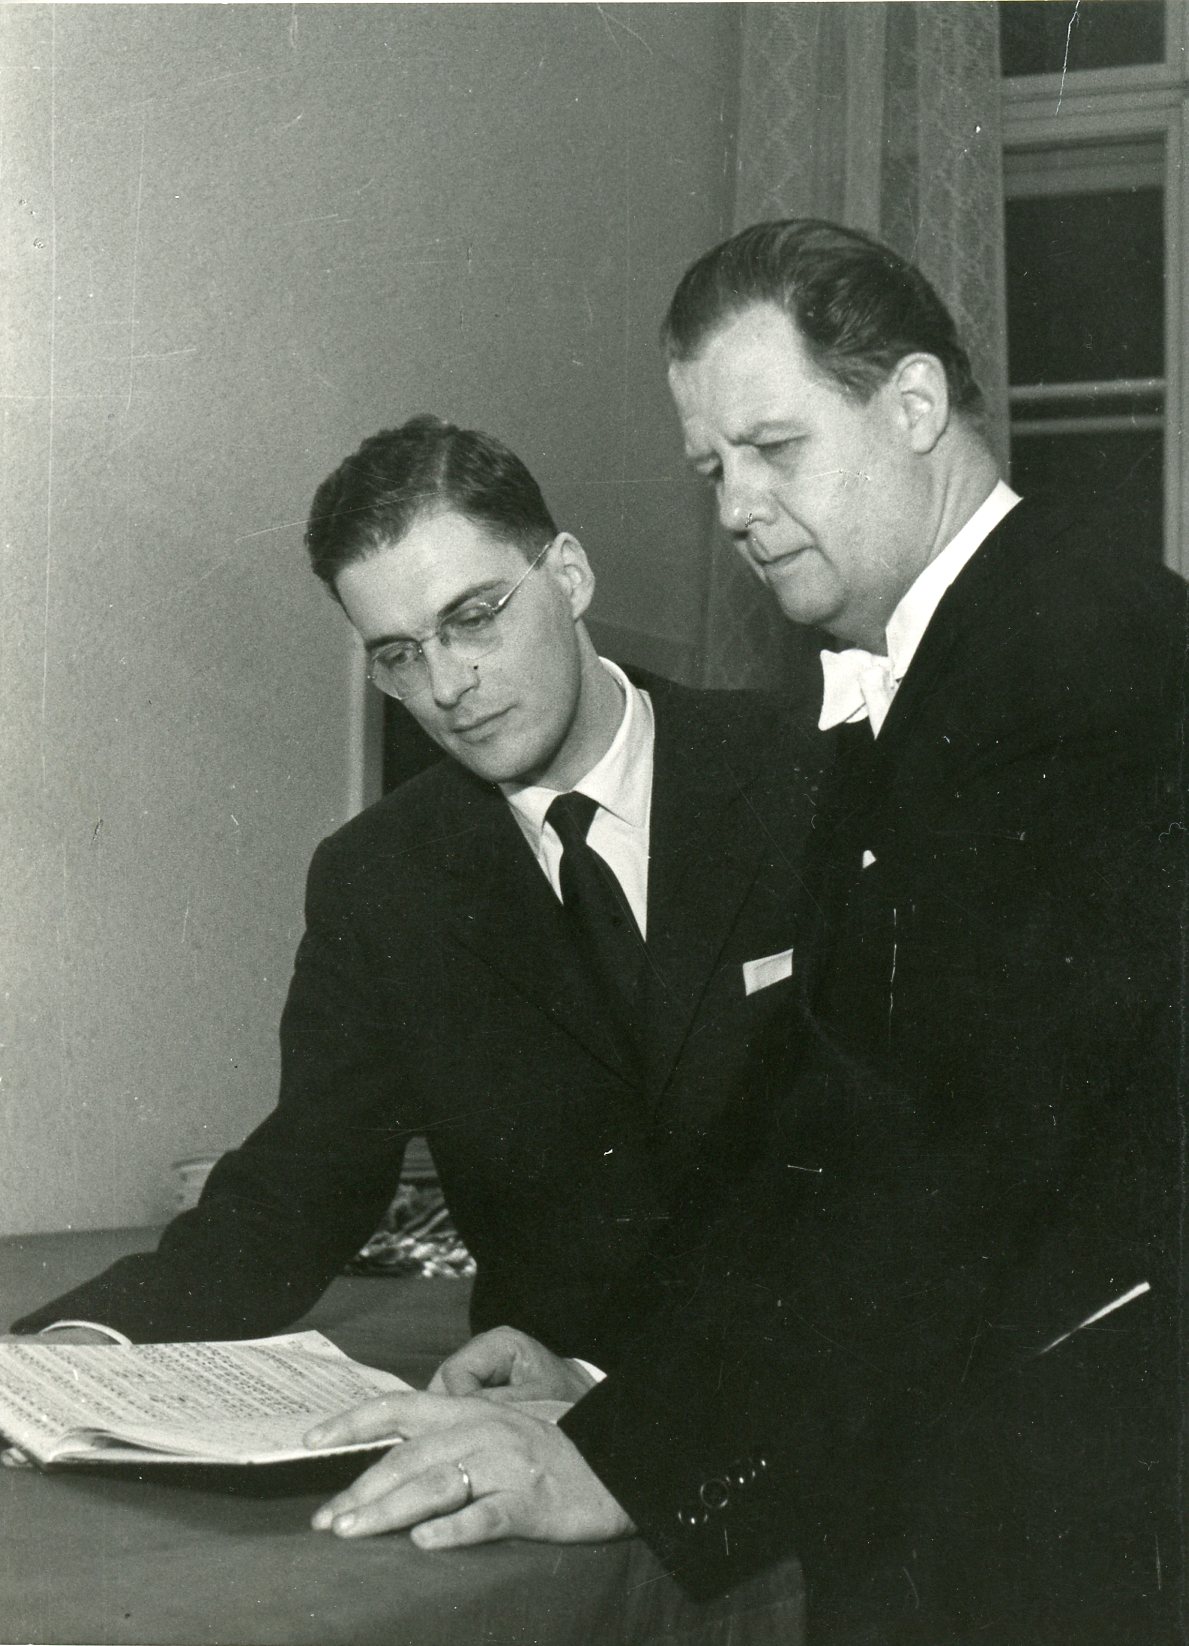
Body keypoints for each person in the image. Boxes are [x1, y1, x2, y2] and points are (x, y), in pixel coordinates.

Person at [305, 226, 1186, 1645]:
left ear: (913, 405)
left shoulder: (1076, 659)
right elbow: (815, 1122)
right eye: (713, 468)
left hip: (1065, 1522)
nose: (737, 506)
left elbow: (940, 1165)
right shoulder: (941, 668)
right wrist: (615, 1385)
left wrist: (626, 1462)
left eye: (774, 448)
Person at [10, 414, 822, 1394]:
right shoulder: (382, 880)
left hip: (834, 1405)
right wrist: (76, 1349)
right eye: (398, 654)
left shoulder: (814, 770)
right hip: (538, 1426)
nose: (446, 686)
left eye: (474, 616)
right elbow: (295, 1192)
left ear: (569, 575)